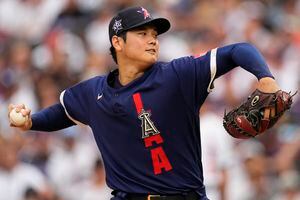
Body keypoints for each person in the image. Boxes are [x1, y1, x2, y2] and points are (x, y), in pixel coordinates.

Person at [8, 6, 282, 200]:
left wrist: (265, 78)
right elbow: (63, 112)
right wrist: (32, 122)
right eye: (142, 34)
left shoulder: (178, 76)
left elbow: (238, 50)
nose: (152, 39)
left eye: (154, 34)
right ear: (118, 42)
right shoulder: (93, 93)